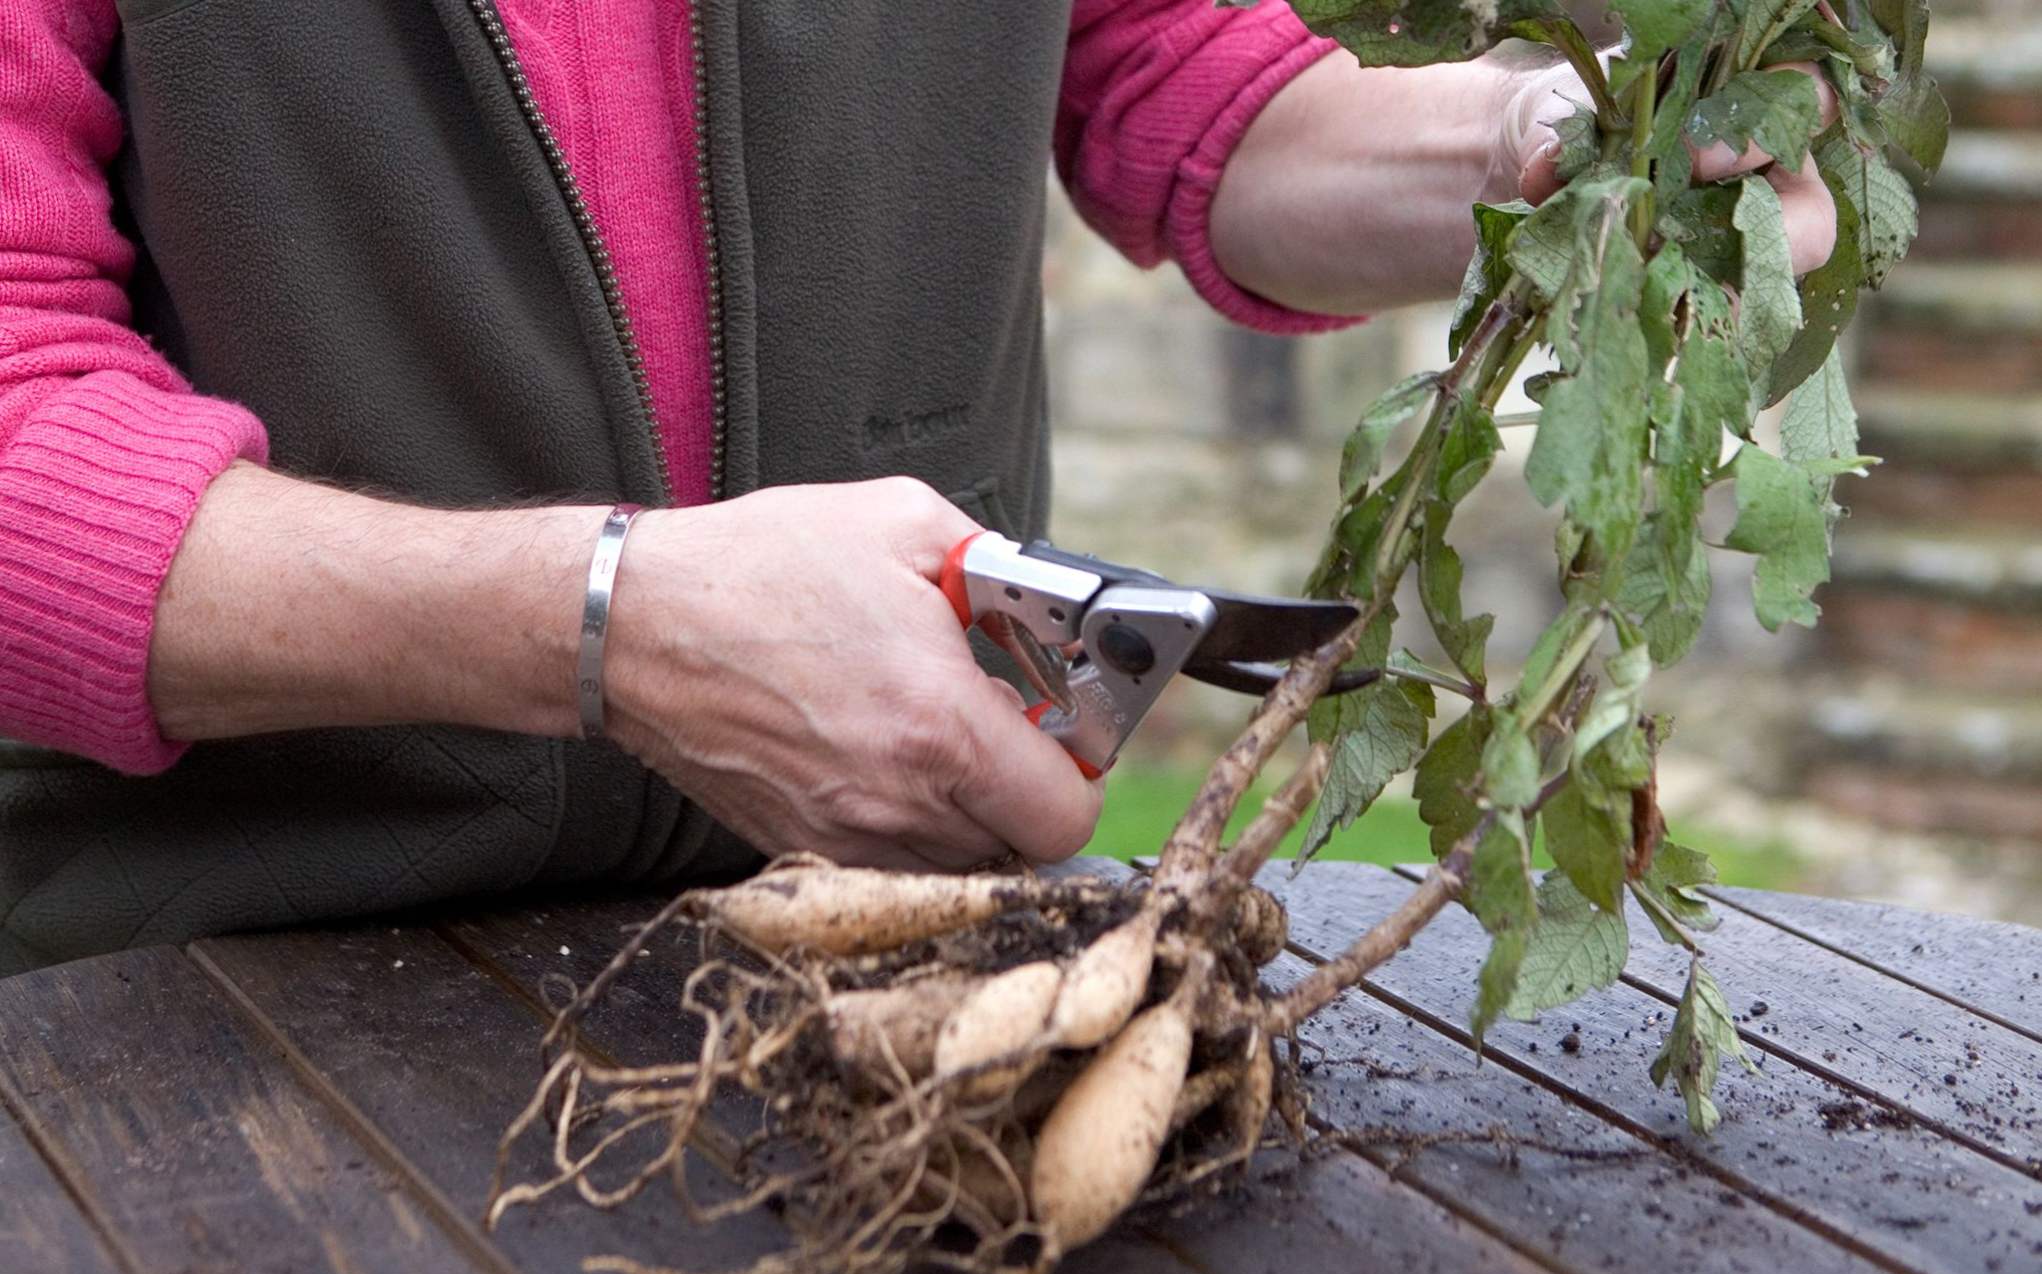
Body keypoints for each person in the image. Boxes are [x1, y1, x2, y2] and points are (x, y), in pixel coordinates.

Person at [0, 1, 1835, 974]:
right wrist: (606, 622)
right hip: (207, 979)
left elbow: (1181, 83)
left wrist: (1539, 153)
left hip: (870, 947)